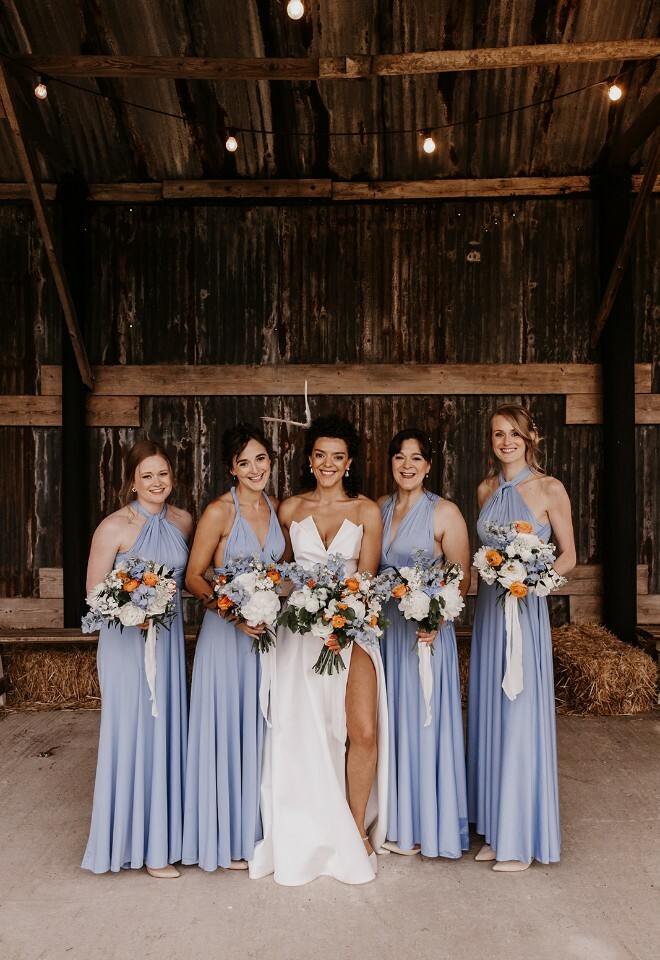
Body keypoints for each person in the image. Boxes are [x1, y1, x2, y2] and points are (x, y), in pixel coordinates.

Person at [249, 415, 388, 885]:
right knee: (302, 733)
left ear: (349, 463)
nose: (329, 464)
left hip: (352, 629)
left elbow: (366, 580)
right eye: (320, 455)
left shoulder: (367, 511)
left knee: (362, 730)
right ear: (310, 460)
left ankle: (353, 825)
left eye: (338, 456)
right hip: (301, 633)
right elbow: (283, 572)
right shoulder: (289, 508)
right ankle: (306, 822)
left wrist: (343, 617)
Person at [467, 404, 576, 872]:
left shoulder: (550, 488)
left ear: (530, 437)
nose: (506, 441)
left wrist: (532, 582)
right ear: (490, 441)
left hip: (525, 613)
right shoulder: (486, 489)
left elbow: (570, 555)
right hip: (492, 613)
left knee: (520, 712)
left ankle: (519, 837)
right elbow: (484, 555)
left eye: (514, 433)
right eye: (497, 434)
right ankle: (495, 827)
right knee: (491, 714)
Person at [82, 440, 193, 877]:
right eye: (147, 475)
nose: (156, 482)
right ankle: (135, 846)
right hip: (126, 645)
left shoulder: (183, 521)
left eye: (162, 473)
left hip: (167, 643)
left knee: (165, 733)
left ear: (172, 476)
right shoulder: (113, 527)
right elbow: (94, 593)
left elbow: (186, 580)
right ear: (132, 481)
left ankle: (165, 839)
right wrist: (133, 611)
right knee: (131, 735)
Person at [182, 424, 285, 871]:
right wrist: (234, 614)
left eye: (260, 459)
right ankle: (221, 838)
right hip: (226, 640)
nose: (254, 469)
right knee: (227, 731)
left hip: (265, 640)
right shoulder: (219, 512)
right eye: (244, 462)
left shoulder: (278, 508)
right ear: (231, 468)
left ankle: (256, 833)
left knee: (262, 732)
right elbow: (193, 575)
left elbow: (281, 569)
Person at [378, 428, 470, 859]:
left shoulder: (445, 513)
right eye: (399, 457)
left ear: (429, 465)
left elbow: (460, 577)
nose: (407, 465)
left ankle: (427, 826)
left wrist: (437, 616)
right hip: (386, 633)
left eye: (416, 458)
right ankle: (395, 821)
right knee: (391, 722)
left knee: (423, 722)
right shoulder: (379, 509)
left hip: (425, 634)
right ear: (391, 463)